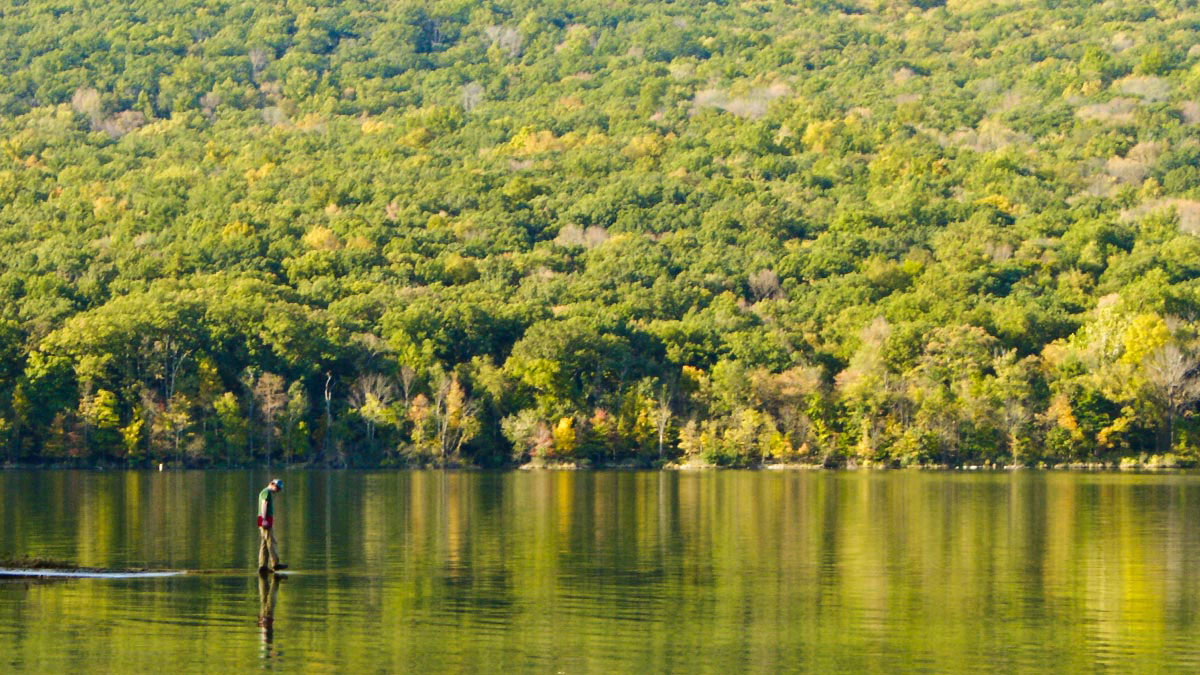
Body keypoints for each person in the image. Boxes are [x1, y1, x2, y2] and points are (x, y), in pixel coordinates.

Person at [257, 478, 288, 573]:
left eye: (279, 489)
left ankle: (263, 567)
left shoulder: (265, 492)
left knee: (264, 544)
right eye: (277, 488)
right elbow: (264, 504)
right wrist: (264, 519)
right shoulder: (266, 492)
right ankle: (275, 564)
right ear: (272, 484)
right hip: (265, 520)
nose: (278, 490)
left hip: (264, 519)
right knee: (271, 541)